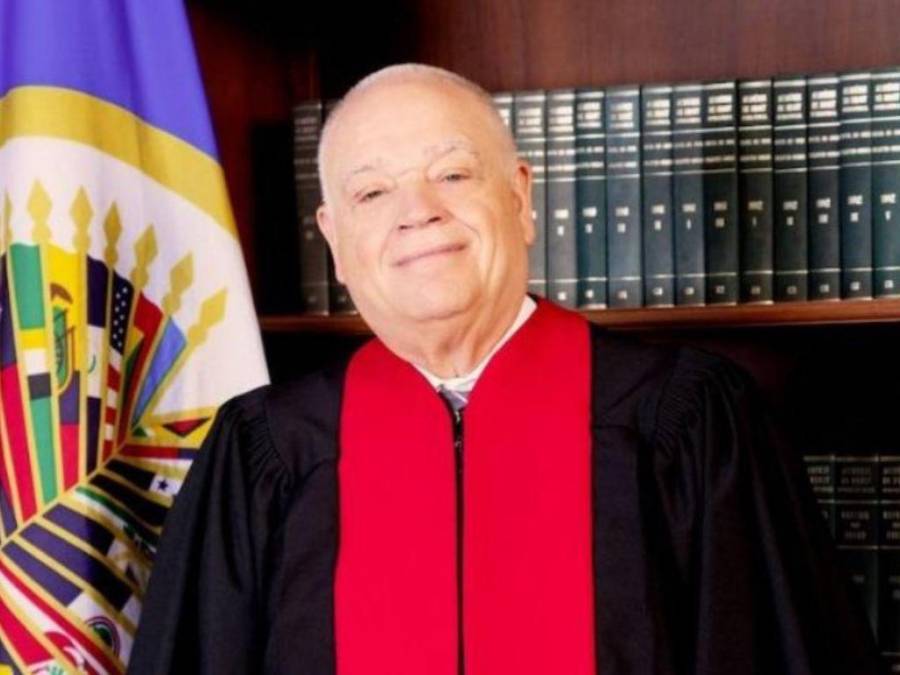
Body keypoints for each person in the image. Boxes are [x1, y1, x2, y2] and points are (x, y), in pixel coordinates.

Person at [130, 64, 878, 674]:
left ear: (520, 198)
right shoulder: (266, 452)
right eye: (372, 191)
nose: (417, 211)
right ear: (335, 239)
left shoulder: (686, 423)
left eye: (453, 174)